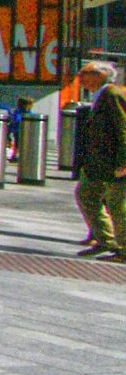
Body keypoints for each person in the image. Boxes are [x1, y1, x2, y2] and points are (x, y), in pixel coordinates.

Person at [72, 61, 126, 258]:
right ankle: (105, 239)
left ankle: (123, 249)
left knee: (117, 204)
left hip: (112, 163)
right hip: (97, 163)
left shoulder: (111, 94)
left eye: (85, 73)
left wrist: (123, 162)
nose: (80, 78)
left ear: (101, 75)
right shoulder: (100, 95)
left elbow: (122, 128)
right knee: (86, 194)